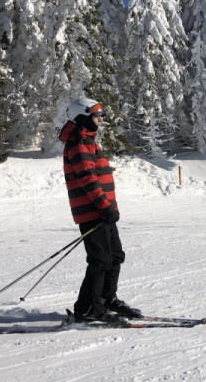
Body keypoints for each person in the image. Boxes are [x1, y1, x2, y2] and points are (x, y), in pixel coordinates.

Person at [59, 97, 140, 323]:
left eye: (100, 116)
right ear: (83, 117)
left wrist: (109, 207)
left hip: (102, 210)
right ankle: (87, 309)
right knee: (100, 260)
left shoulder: (88, 140)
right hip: (93, 210)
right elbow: (87, 179)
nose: (100, 120)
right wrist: (105, 206)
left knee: (114, 256)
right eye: (96, 116)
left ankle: (106, 300)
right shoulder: (78, 142)